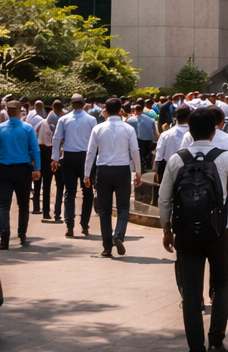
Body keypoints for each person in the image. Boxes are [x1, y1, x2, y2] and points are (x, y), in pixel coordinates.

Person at [160, 105, 228, 352]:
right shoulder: (226, 158)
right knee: (222, 284)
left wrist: (166, 229)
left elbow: (164, 199)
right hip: (220, 231)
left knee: (191, 294)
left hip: (186, 234)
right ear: (215, 130)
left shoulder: (177, 159)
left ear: (189, 130)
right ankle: (216, 341)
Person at [85, 97, 142, 257]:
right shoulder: (128, 128)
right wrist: (138, 172)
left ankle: (107, 247)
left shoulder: (98, 128)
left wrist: (86, 174)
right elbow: (135, 151)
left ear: (105, 111)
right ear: (121, 110)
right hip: (122, 170)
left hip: (103, 171)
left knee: (104, 209)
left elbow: (91, 152)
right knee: (123, 206)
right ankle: (119, 234)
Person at [0, 100, 41, 249]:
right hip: (23, 170)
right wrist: (37, 168)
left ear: (6, 111)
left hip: (3, 170)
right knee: (23, 204)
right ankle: (22, 234)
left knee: (4, 205)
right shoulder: (28, 129)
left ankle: (4, 237)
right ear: (19, 111)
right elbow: (35, 150)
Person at [51, 94, 97, 238]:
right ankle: (84, 224)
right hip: (85, 158)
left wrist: (55, 158)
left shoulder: (64, 119)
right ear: (84, 104)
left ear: (71, 104)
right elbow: (95, 141)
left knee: (69, 192)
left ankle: (69, 225)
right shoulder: (91, 120)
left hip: (68, 157)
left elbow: (56, 138)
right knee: (87, 192)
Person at [34, 100, 62, 220]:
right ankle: (46, 211)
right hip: (48, 151)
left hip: (39, 151)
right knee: (47, 183)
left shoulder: (45, 120)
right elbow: (51, 140)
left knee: (38, 180)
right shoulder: (54, 120)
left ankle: (36, 207)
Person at [128, 102, 158, 170]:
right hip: (148, 139)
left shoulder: (131, 120)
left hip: (138, 139)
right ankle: (145, 163)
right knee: (145, 153)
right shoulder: (150, 119)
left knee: (139, 153)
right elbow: (153, 130)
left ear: (135, 111)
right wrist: (153, 140)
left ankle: (140, 165)